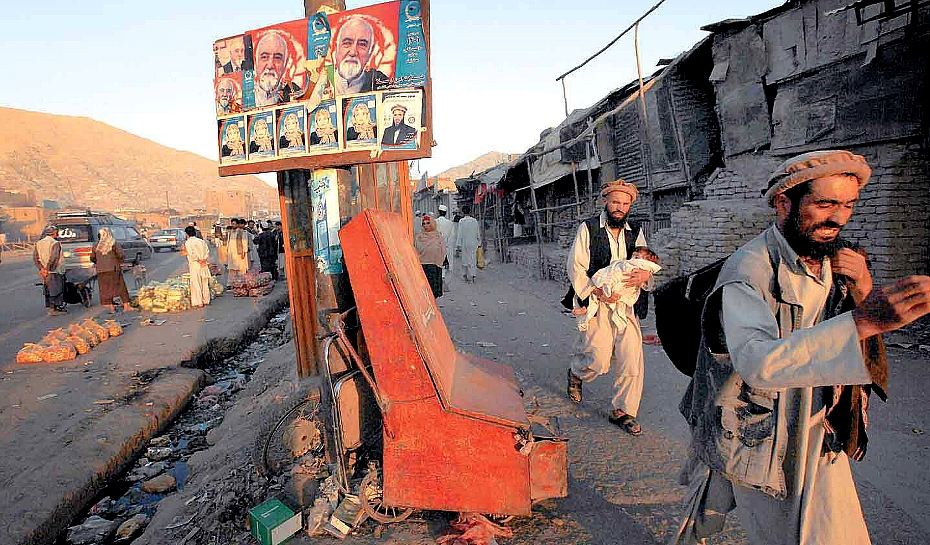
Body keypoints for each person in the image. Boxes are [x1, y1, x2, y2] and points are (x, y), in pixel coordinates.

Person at [672, 150, 930, 545]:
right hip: (761, 428)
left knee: (833, 531)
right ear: (783, 203)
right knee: (781, 528)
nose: (839, 217)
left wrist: (863, 288)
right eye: (825, 203)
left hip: (817, 422)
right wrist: (865, 320)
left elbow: (837, 327)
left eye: (848, 205)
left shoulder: (831, 256)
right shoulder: (748, 273)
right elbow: (757, 362)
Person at [566, 179, 653, 435]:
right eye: (615, 202)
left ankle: (623, 410)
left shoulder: (635, 231)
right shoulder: (588, 228)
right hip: (597, 301)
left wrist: (644, 277)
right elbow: (576, 266)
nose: (620, 208)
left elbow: (645, 261)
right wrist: (596, 291)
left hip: (626, 304)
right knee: (599, 360)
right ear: (606, 201)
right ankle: (576, 372)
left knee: (631, 358)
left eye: (625, 204)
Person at [574, 247, 661, 334]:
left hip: (625, 301)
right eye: (633, 256)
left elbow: (647, 271)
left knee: (629, 343)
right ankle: (584, 308)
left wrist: (647, 274)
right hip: (600, 290)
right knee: (599, 340)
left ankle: (616, 317)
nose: (633, 258)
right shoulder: (588, 233)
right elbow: (576, 266)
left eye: (637, 257)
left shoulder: (635, 234)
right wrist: (599, 291)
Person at [332, 15, 389, 96]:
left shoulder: (380, 82)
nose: (353, 52)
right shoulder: (321, 83)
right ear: (336, 48)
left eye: (362, 44)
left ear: (371, 51)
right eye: (347, 43)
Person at [253, 30, 301, 107]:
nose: (270, 65)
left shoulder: (295, 92)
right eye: (264, 57)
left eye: (277, 58)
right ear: (256, 61)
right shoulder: (245, 97)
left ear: (285, 63)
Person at [91, 227, 133, 313]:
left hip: (101, 270)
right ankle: (126, 306)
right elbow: (121, 255)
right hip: (113, 269)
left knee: (105, 288)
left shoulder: (96, 246)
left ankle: (111, 307)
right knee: (120, 287)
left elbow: (92, 258)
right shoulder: (113, 243)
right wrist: (120, 261)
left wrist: (99, 262)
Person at [34, 225, 67, 315]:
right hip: (54, 270)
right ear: (54, 233)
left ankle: (51, 307)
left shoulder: (38, 243)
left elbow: (35, 258)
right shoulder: (54, 243)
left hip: (44, 271)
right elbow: (54, 258)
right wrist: (48, 269)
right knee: (56, 289)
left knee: (48, 289)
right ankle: (54, 309)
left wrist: (41, 269)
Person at [415, 214, 446, 298]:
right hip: (422, 267)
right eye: (423, 223)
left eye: (428, 223)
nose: (426, 225)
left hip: (434, 267)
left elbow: (443, 251)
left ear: (432, 223)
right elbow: (415, 251)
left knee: (433, 292)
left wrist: (439, 261)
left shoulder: (438, 236)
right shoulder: (419, 237)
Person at [183, 226, 212, 308]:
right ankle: (206, 300)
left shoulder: (188, 242)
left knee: (196, 283)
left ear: (187, 234)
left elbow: (191, 254)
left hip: (195, 264)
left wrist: (198, 260)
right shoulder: (201, 241)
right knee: (204, 282)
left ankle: (199, 302)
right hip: (204, 263)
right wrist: (203, 259)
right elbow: (207, 251)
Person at [454, 205, 481, 283]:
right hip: (473, 243)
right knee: (472, 259)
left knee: (464, 259)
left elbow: (459, 234)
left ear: (462, 212)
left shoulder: (462, 221)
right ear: (470, 211)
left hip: (464, 243)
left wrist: (458, 246)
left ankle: (465, 275)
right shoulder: (474, 221)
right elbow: (477, 233)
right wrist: (479, 242)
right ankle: (473, 276)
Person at [225, 218, 250, 286]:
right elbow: (228, 242)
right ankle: (230, 284)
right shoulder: (230, 232)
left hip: (239, 254)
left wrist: (244, 252)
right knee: (231, 269)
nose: (233, 225)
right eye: (232, 224)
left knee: (241, 269)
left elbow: (244, 242)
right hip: (231, 254)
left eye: (234, 224)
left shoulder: (242, 232)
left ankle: (241, 284)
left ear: (237, 224)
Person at [435, 205, 455, 282]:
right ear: (446, 213)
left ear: (438, 212)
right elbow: (452, 236)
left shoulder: (435, 222)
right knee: (446, 263)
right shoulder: (450, 223)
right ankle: (444, 280)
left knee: (438, 263)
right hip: (447, 246)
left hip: (437, 246)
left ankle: (440, 278)